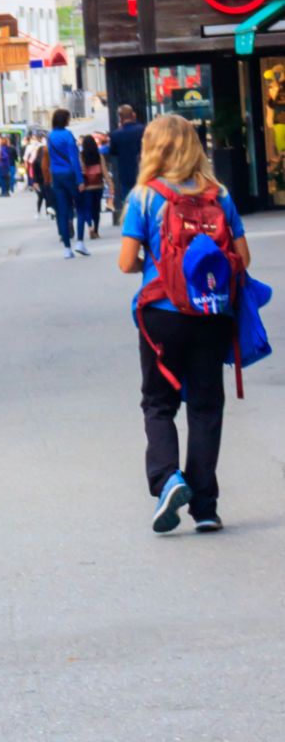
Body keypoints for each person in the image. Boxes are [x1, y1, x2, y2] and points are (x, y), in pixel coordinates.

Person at [118, 113, 250, 534]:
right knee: (207, 405)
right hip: (211, 312)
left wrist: (153, 265)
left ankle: (167, 479)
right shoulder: (219, 194)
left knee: (159, 402)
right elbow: (243, 259)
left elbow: (125, 263)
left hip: (161, 314)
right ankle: (206, 506)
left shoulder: (144, 196)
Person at [47, 110, 86, 256]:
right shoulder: (68, 135)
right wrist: (80, 180)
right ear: (65, 120)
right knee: (81, 207)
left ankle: (67, 248)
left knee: (62, 212)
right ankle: (80, 242)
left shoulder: (50, 136)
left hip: (56, 175)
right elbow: (74, 159)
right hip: (70, 174)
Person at [107, 105, 146, 226]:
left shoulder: (116, 135)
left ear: (120, 118)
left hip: (125, 172)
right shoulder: (143, 130)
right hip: (144, 169)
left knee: (128, 200)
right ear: (133, 115)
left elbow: (112, 152)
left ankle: (133, 224)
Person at [79, 133, 106, 245]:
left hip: (87, 186)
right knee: (96, 208)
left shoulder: (81, 155)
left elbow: (81, 169)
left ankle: (89, 226)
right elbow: (104, 170)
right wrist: (111, 184)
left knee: (87, 208)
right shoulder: (99, 155)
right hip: (98, 185)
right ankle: (96, 230)